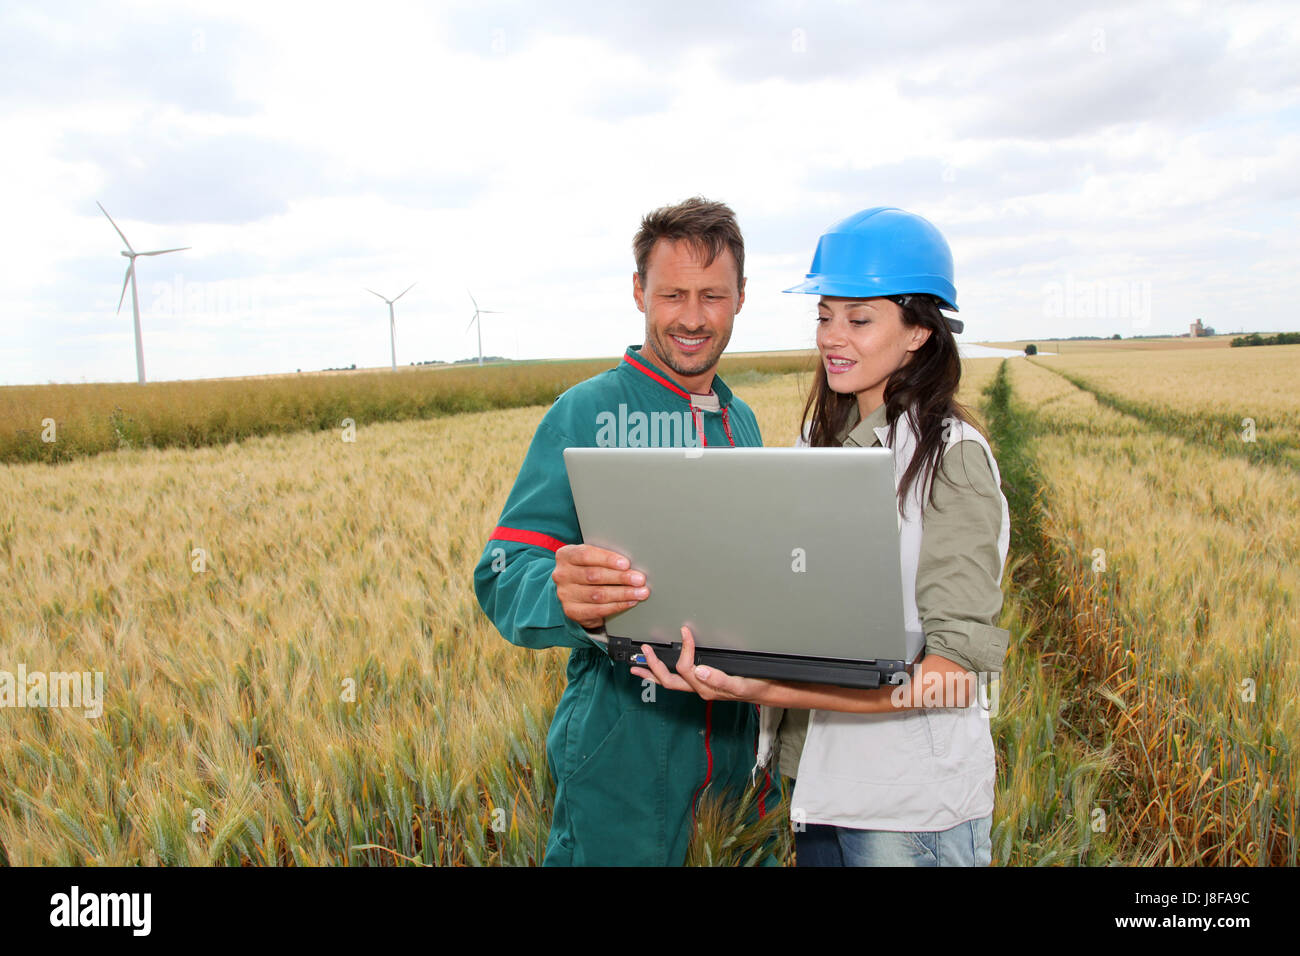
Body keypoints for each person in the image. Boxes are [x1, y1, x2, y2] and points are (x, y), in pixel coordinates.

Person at [633, 206, 1011, 867]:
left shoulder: (952, 459)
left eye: (858, 319)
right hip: (816, 795)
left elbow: (951, 676)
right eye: (824, 314)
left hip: (908, 815)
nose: (832, 337)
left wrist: (760, 690)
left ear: (919, 330)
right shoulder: (819, 446)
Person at [472, 196, 780, 866]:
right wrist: (562, 596)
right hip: (623, 771)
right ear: (639, 291)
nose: (693, 318)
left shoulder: (744, 423)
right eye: (672, 294)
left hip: (734, 774)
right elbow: (499, 574)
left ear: (741, 298)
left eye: (713, 296)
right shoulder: (584, 413)